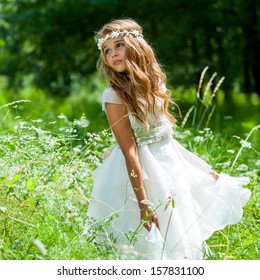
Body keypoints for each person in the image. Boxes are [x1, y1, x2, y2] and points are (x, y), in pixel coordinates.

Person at [85, 18, 251, 260]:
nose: (112, 54)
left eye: (118, 45)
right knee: (149, 243)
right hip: (140, 175)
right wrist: (143, 203)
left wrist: (202, 169)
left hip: (168, 168)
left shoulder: (155, 84)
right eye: (107, 50)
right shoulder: (113, 96)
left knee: (178, 237)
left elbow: (167, 139)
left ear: (136, 45)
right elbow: (130, 152)